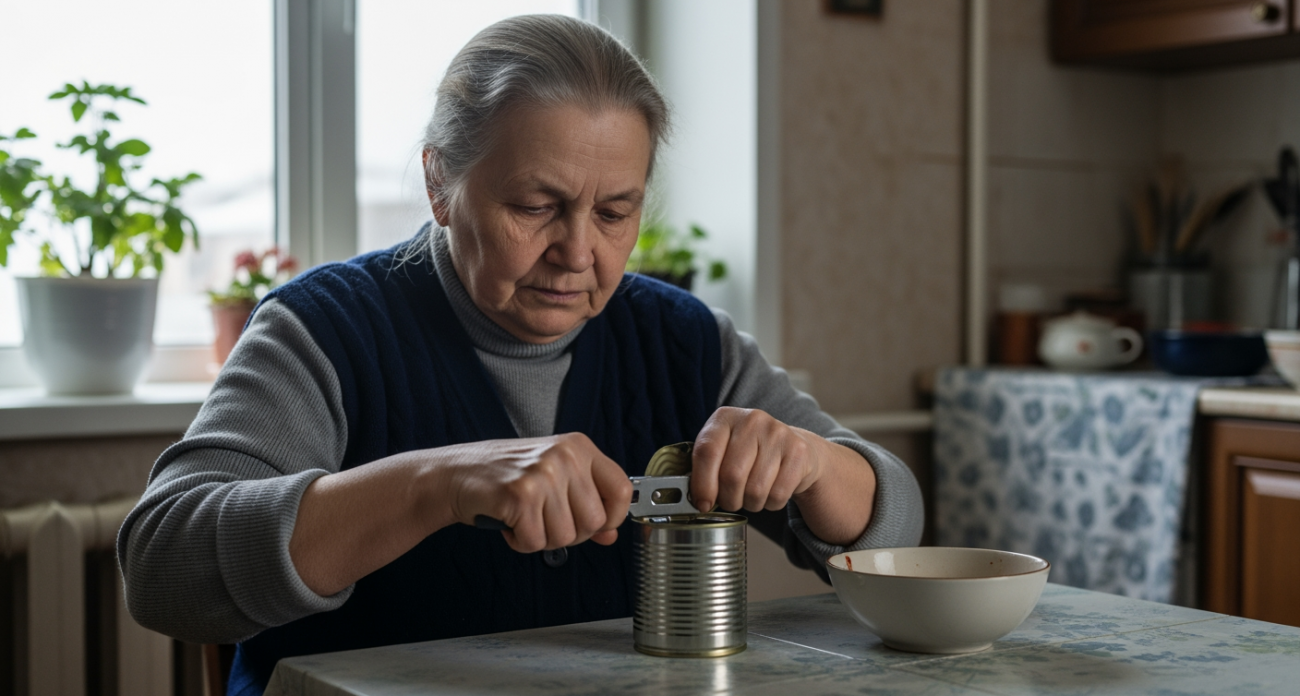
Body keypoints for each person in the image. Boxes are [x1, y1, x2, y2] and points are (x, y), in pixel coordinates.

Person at [117, 14, 923, 695]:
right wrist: (436, 483)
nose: (578, 253)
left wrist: (816, 465)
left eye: (616, 211)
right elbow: (163, 568)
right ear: (439, 185)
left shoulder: (684, 340)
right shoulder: (322, 330)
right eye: (537, 206)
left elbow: (897, 534)